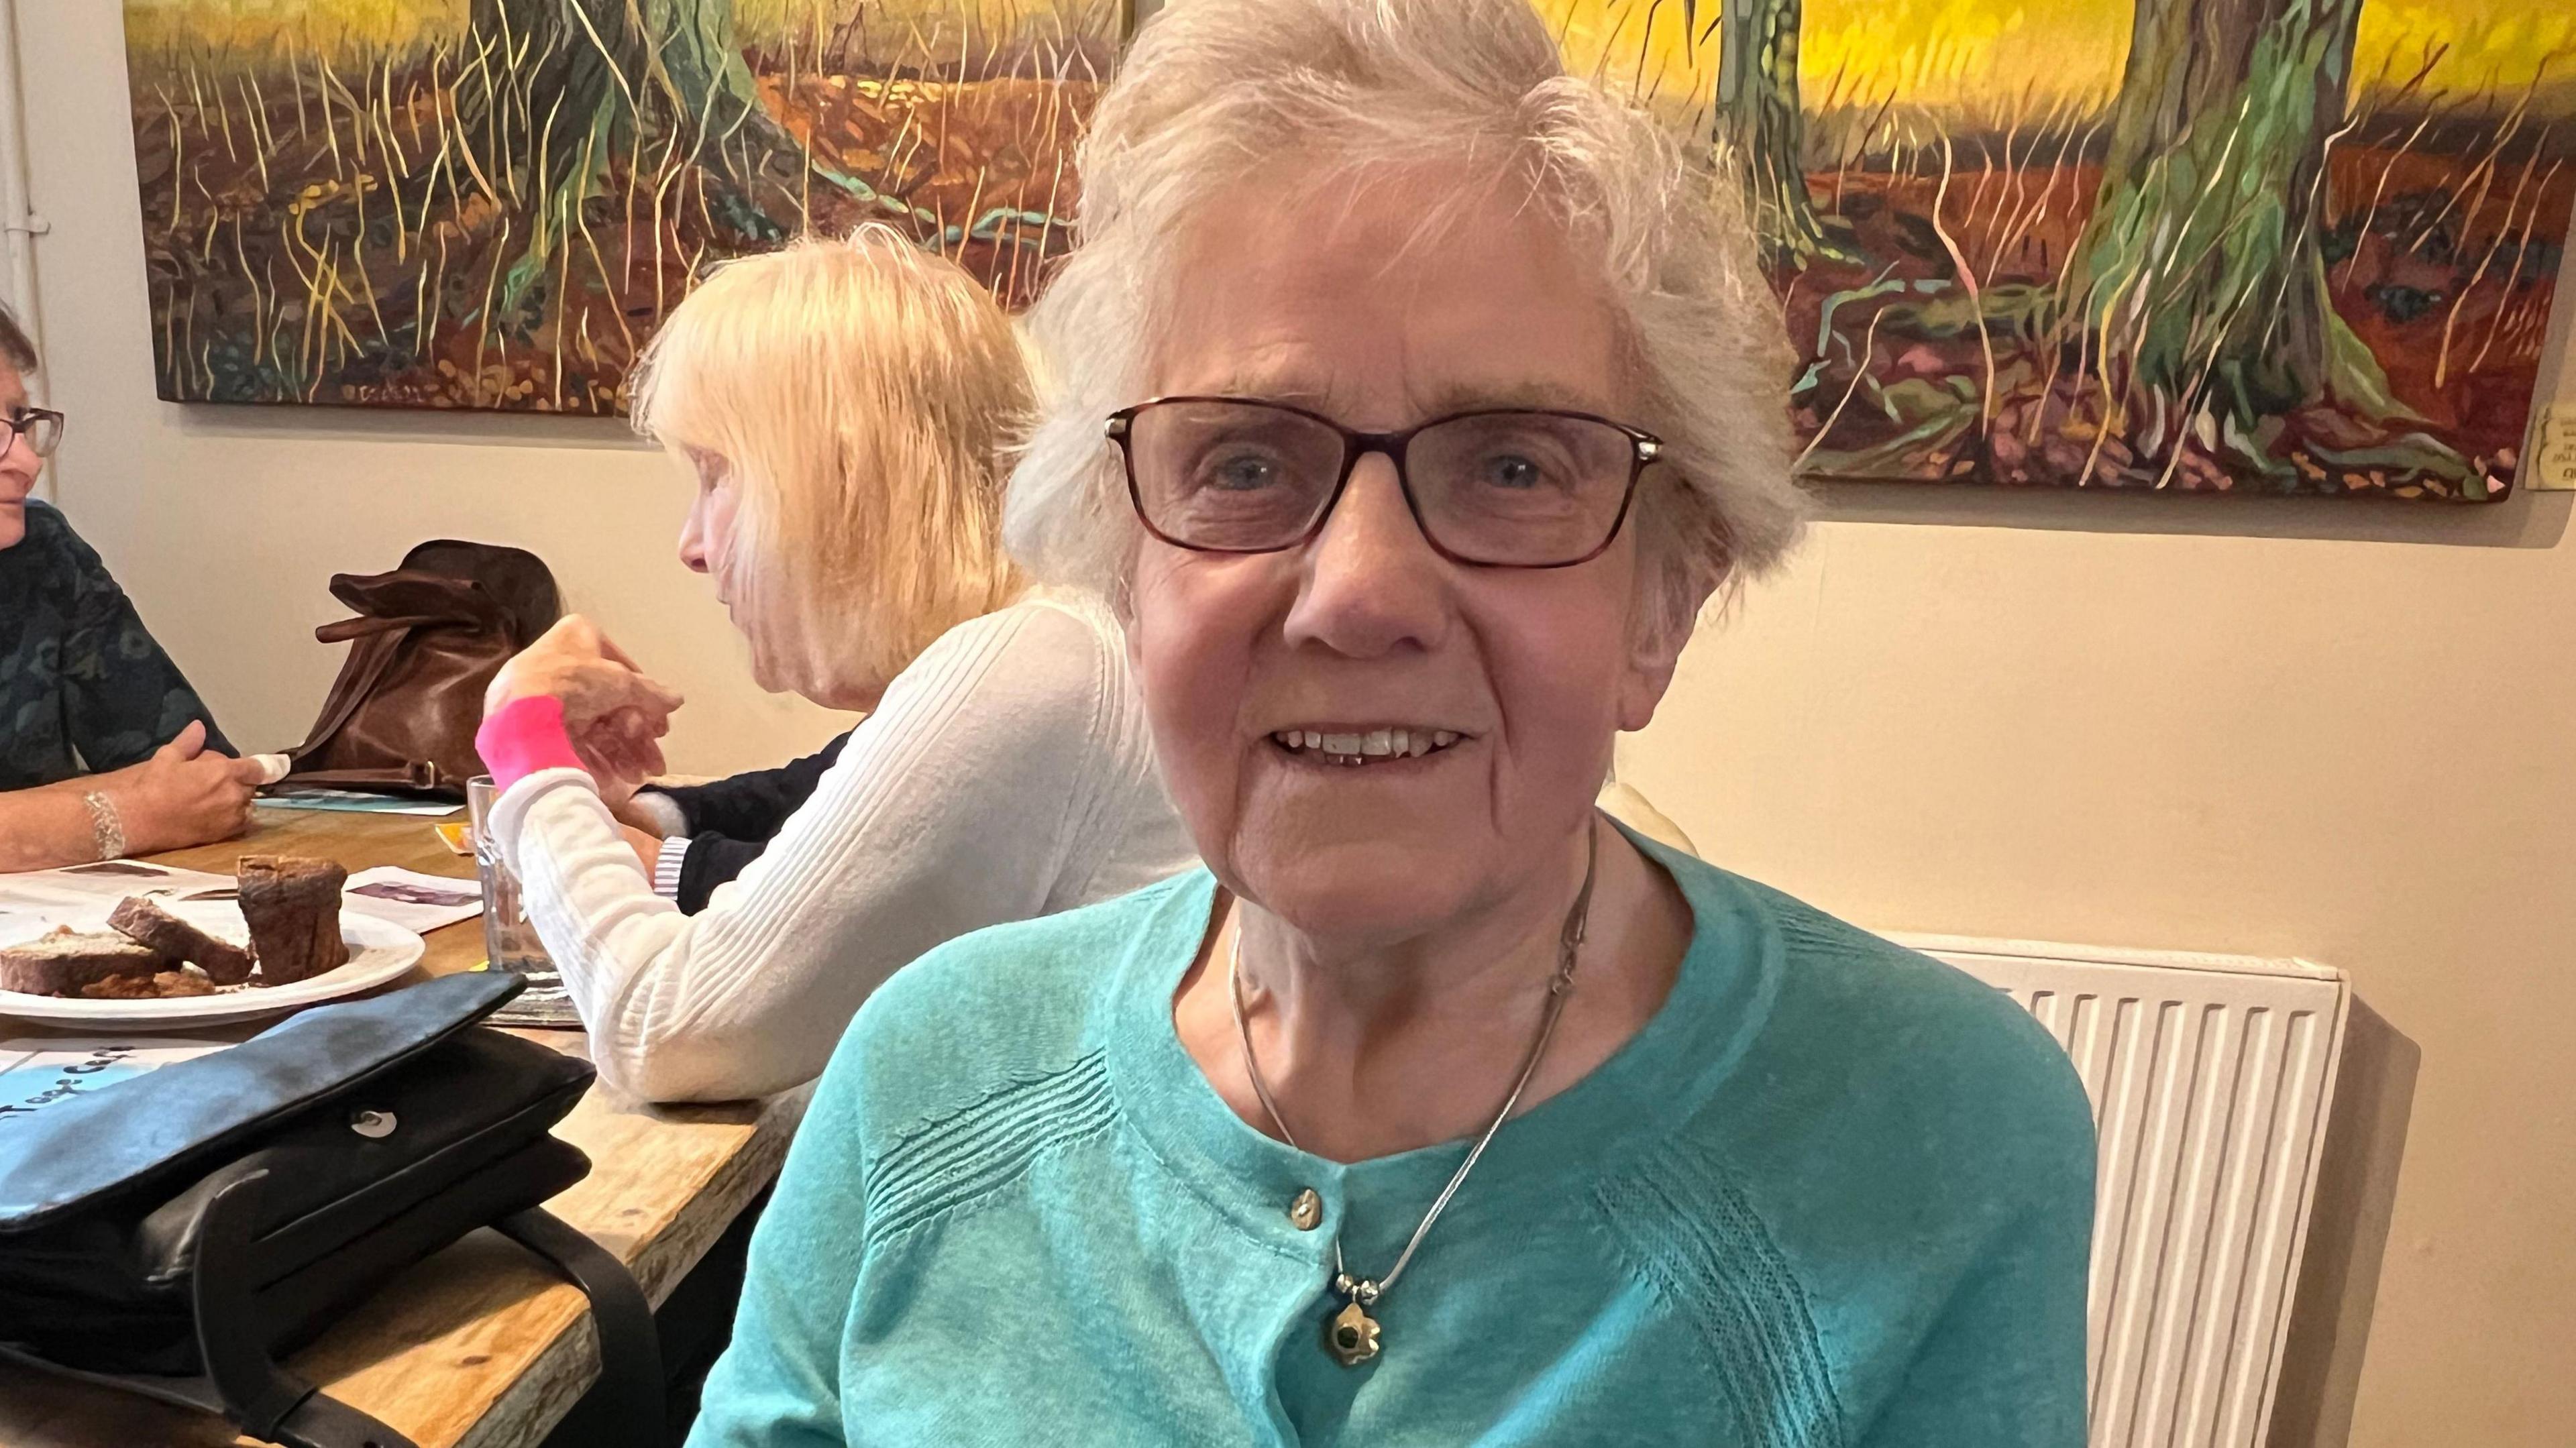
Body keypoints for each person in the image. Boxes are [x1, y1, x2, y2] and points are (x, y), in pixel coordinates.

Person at [687, 1, 2096, 1443]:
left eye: (1510, 462)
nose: (1360, 593)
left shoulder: (1930, 1133)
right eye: (1243, 458)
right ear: (1126, 570)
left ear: (1662, 602)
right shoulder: (928, 1073)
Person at [471, 229, 1197, 1103]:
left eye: (716, 475)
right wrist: (634, 810)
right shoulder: (1050, 631)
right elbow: (829, 788)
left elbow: (662, 1031)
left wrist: (522, 741)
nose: (691, 545)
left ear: (841, 477)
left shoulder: (1036, 659)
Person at [0, 305, 262, 872]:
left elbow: (200, 781)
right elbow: (157, 805)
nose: (27, 461)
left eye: (20, 423)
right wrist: (131, 815)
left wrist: (54, 822)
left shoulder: (44, 552)